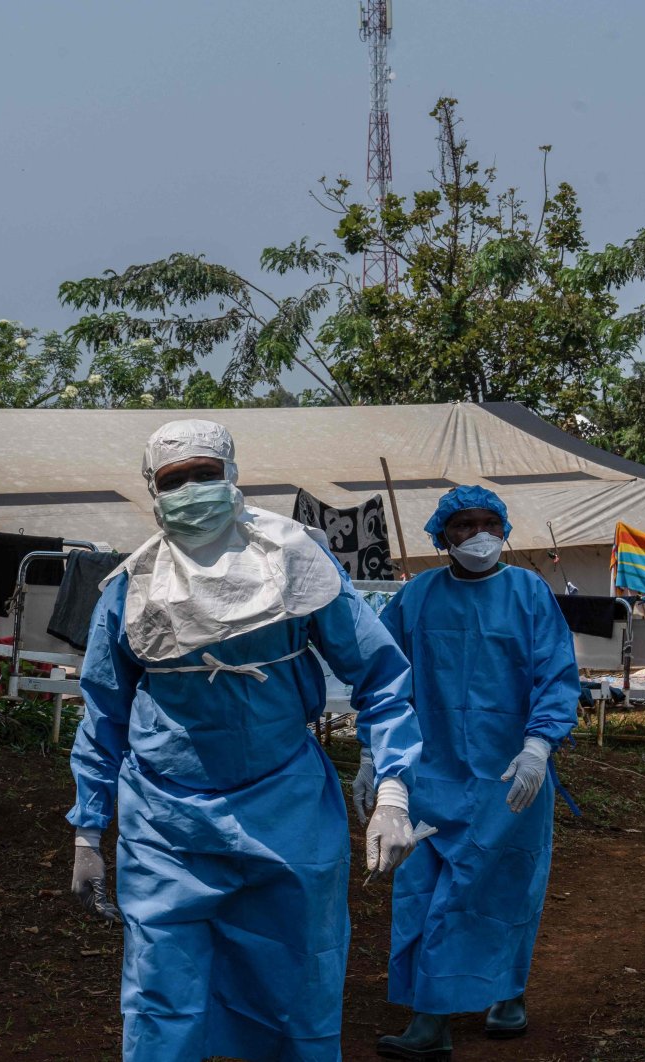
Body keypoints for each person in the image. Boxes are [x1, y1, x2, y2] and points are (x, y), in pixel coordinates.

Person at [66, 419, 424, 1062]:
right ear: (153, 490)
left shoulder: (296, 563)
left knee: (298, 987)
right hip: (164, 825)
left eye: (205, 474)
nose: (192, 490)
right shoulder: (131, 589)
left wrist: (394, 787)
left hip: (285, 810)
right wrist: (88, 831)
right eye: (175, 480)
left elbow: (379, 672)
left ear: (233, 476)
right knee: (160, 995)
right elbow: (104, 714)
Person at [355, 485, 579, 1059]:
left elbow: (554, 675)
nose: (477, 535)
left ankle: (506, 993)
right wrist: (372, 759)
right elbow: (386, 683)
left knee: (503, 890)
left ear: (504, 529)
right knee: (423, 893)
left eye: (488, 524)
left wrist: (537, 747)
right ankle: (429, 1018)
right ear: (441, 534)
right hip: (427, 776)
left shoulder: (529, 592)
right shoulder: (417, 597)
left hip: (508, 780)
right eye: (463, 525)